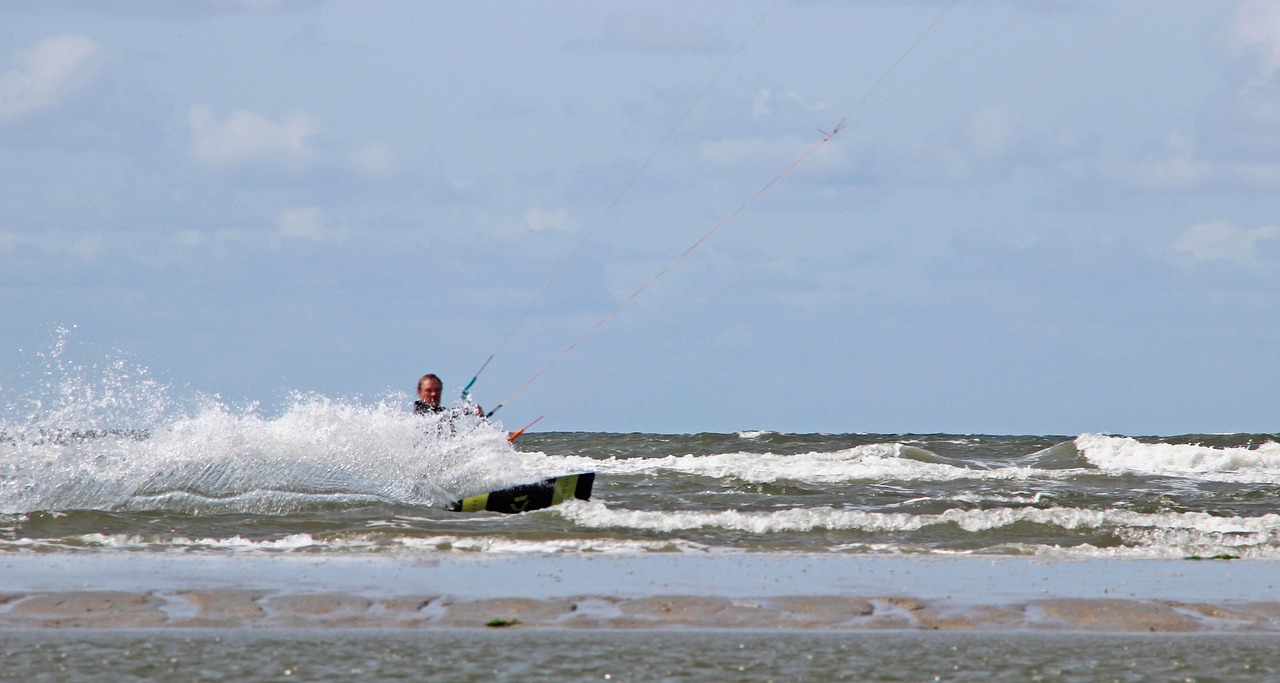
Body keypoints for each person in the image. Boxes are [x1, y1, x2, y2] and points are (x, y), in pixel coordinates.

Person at [414, 373, 483, 416]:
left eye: (437, 390)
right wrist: (469, 409)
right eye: (428, 390)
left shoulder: (440, 411)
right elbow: (443, 415)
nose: (434, 394)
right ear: (419, 392)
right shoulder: (421, 412)